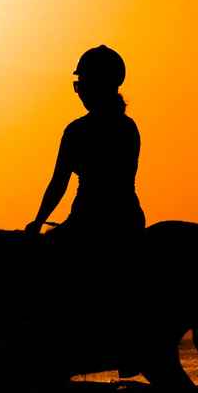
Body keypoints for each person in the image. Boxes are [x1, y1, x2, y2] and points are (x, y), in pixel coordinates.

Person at [24, 45, 145, 245]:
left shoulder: (77, 131)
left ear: (97, 86)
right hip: (129, 222)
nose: (79, 93)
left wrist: (38, 221)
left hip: (86, 223)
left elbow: (58, 183)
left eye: (81, 86)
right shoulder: (129, 127)